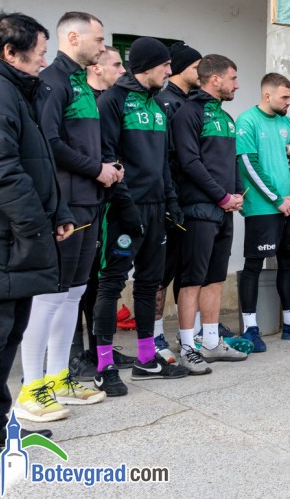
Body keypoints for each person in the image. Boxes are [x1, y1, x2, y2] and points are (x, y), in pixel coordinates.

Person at [0, 13, 75, 472]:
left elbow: (36, 162)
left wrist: (57, 213)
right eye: (39, 53)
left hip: (12, 240)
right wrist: (35, 225)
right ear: (10, 53)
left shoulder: (11, 87)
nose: (44, 61)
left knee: (4, 339)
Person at [17, 12, 115, 423]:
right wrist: (96, 169)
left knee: (73, 294)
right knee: (49, 297)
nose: (102, 46)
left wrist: (105, 167)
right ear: (73, 37)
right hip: (65, 207)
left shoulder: (81, 82)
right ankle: (31, 388)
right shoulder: (53, 82)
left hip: (89, 203)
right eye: (98, 39)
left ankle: (59, 379)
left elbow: (85, 140)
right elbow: (48, 143)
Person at [94, 37, 186, 397]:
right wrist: (126, 205)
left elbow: (163, 161)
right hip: (122, 208)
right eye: (165, 65)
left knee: (149, 283)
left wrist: (171, 202)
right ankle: (103, 366)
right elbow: (107, 156)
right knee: (111, 284)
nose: (169, 71)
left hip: (156, 207)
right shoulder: (112, 100)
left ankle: (147, 359)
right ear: (147, 66)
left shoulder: (159, 105)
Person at [171, 55, 248, 373]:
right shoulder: (189, 113)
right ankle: (188, 346)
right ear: (215, 79)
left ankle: (211, 342)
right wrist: (221, 196)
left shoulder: (226, 117)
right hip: (199, 210)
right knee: (192, 280)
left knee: (215, 279)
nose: (237, 85)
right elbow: (189, 162)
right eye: (233, 78)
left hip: (224, 210)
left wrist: (237, 194)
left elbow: (231, 161)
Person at [236, 73, 290, 351]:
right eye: (285, 97)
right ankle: (250, 328)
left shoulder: (287, 124)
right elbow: (249, 165)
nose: (289, 102)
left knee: (288, 262)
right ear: (267, 95)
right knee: (253, 265)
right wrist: (276, 199)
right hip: (263, 209)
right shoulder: (248, 121)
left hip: (289, 207)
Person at [70, 46, 126, 382]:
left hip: (106, 204)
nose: (123, 70)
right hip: (79, 202)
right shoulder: (78, 100)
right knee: (73, 285)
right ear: (96, 68)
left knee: (97, 281)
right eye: (117, 64)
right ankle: (74, 355)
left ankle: (99, 348)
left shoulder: (108, 102)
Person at [152, 42, 202, 362]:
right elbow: (165, 157)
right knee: (162, 273)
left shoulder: (196, 103)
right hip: (169, 203)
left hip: (193, 203)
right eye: (197, 67)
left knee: (188, 273)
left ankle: (190, 333)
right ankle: (155, 334)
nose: (202, 72)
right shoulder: (162, 102)